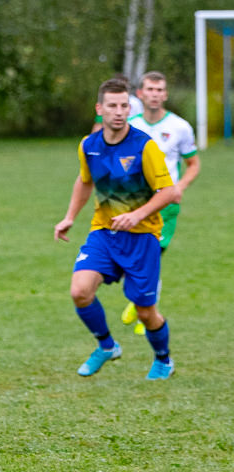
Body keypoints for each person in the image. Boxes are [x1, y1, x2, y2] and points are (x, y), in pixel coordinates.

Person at [55, 78, 181, 380]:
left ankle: (163, 360)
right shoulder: (89, 145)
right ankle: (107, 346)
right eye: (112, 106)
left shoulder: (144, 146)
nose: (119, 112)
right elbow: (85, 181)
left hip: (143, 238)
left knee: (145, 312)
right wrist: (70, 215)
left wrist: (138, 214)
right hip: (104, 233)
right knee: (80, 291)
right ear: (100, 109)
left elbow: (170, 192)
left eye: (124, 106)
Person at [121, 71, 200, 335]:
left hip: (166, 203)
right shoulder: (129, 125)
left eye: (160, 90)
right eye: (150, 89)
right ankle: (140, 300)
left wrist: (179, 187)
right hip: (134, 202)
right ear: (140, 94)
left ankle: (145, 308)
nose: (155, 94)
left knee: (153, 254)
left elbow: (193, 164)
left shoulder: (180, 127)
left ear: (165, 95)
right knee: (133, 256)